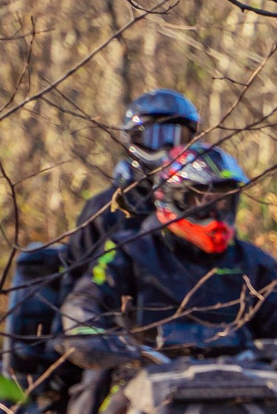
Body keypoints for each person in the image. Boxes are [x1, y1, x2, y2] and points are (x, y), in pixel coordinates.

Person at [58, 145, 277, 414]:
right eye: (203, 201)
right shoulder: (129, 249)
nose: (216, 214)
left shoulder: (254, 261)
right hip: (145, 370)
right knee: (96, 383)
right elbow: (88, 296)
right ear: (172, 199)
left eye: (224, 203)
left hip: (244, 375)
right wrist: (87, 328)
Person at [56, 89, 202, 282]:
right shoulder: (104, 209)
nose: (167, 148)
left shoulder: (199, 205)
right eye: (156, 137)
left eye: (177, 138)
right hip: (117, 307)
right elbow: (72, 279)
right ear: (134, 140)